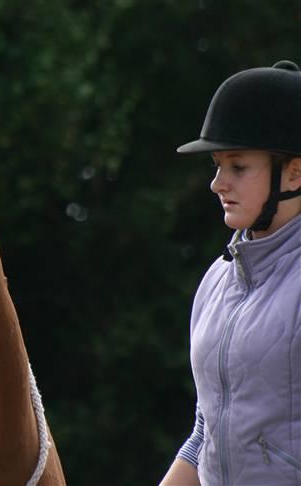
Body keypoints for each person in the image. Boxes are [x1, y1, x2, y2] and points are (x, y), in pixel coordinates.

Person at [160, 61, 301, 485]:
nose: (218, 183)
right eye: (218, 166)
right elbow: (206, 433)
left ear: (295, 172)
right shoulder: (215, 283)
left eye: (237, 167)